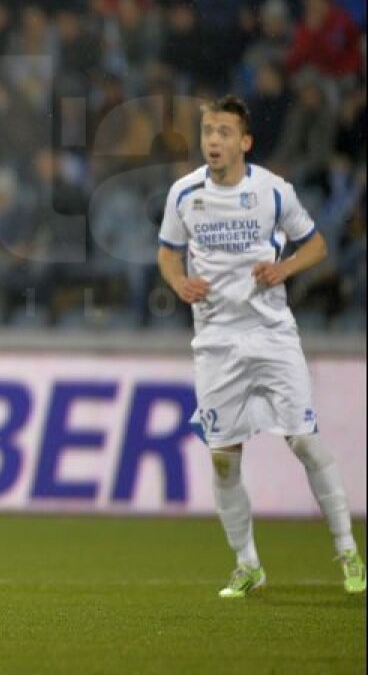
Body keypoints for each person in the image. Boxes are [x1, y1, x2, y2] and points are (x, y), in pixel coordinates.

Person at [157, 95, 365, 598]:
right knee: (224, 459)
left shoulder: (273, 191)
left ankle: (347, 551)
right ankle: (248, 564)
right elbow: (168, 252)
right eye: (208, 131)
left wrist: (283, 268)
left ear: (244, 142)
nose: (213, 140)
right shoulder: (184, 194)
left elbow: (315, 244)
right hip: (215, 342)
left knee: (305, 442)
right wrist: (178, 282)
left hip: (272, 335)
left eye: (225, 132)